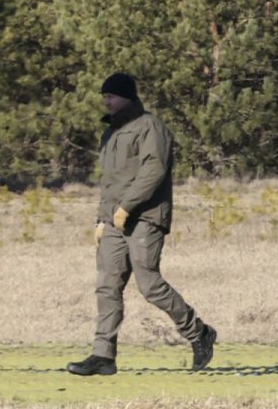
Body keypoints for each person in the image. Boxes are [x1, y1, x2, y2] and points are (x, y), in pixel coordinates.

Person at [66, 73, 216, 376]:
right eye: (104, 96)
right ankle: (103, 355)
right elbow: (109, 182)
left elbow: (154, 171)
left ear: (127, 97)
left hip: (145, 218)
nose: (106, 101)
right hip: (113, 221)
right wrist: (101, 218)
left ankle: (198, 332)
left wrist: (127, 207)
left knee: (149, 285)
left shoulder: (151, 127)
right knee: (107, 286)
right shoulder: (110, 134)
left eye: (111, 96)